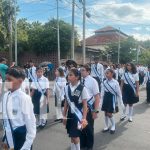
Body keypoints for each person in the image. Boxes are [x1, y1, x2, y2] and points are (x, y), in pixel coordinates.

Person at [1, 68, 36, 150]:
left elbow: (31, 124)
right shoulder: (6, 96)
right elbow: (6, 119)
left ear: (20, 81)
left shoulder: (24, 98)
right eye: (5, 79)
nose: (6, 82)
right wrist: (5, 139)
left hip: (21, 139)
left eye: (9, 79)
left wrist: (26, 147)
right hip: (9, 138)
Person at [63, 68, 89, 150]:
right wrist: (64, 116)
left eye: (71, 75)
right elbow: (66, 103)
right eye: (68, 75)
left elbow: (85, 105)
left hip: (79, 116)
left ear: (77, 77)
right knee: (71, 135)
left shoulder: (82, 88)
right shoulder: (67, 87)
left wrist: (84, 118)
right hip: (70, 115)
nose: (68, 76)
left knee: (75, 135)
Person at [80, 64, 100, 150]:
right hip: (80, 106)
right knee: (82, 126)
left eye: (83, 70)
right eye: (81, 70)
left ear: (88, 71)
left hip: (90, 106)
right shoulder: (79, 80)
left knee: (89, 127)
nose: (81, 72)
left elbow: (97, 96)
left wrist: (95, 111)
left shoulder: (93, 81)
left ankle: (89, 146)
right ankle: (83, 143)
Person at [101, 69, 124, 134]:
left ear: (112, 74)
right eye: (106, 73)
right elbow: (102, 92)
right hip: (106, 98)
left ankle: (113, 125)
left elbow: (119, 93)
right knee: (105, 113)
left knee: (109, 113)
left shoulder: (115, 82)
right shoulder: (104, 82)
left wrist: (121, 102)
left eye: (107, 73)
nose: (106, 75)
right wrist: (101, 101)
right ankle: (106, 126)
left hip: (112, 99)